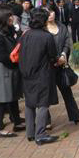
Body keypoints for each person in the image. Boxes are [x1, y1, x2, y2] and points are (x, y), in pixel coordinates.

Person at [19, 8, 60, 145]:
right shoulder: (46, 36)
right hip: (42, 74)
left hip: (26, 73)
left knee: (30, 103)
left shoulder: (25, 35)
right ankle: (41, 134)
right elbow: (53, 56)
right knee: (43, 104)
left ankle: (30, 132)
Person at [45, 6, 79, 126]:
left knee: (67, 92)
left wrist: (64, 55)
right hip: (48, 66)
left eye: (51, 11)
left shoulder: (62, 26)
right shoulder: (42, 29)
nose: (50, 14)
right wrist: (54, 59)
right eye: (47, 12)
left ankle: (76, 116)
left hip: (61, 64)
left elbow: (67, 42)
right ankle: (46, 120)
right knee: (47, 93)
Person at [0, 5, 24, 138]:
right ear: (1, 18)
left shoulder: (7, 31)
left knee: (12, 97)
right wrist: (15, 61)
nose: (11, 18)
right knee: (1, 100)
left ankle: (17, 121)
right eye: (8, 16)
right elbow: (2, 57)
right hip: (4, 71)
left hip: (11, 70)